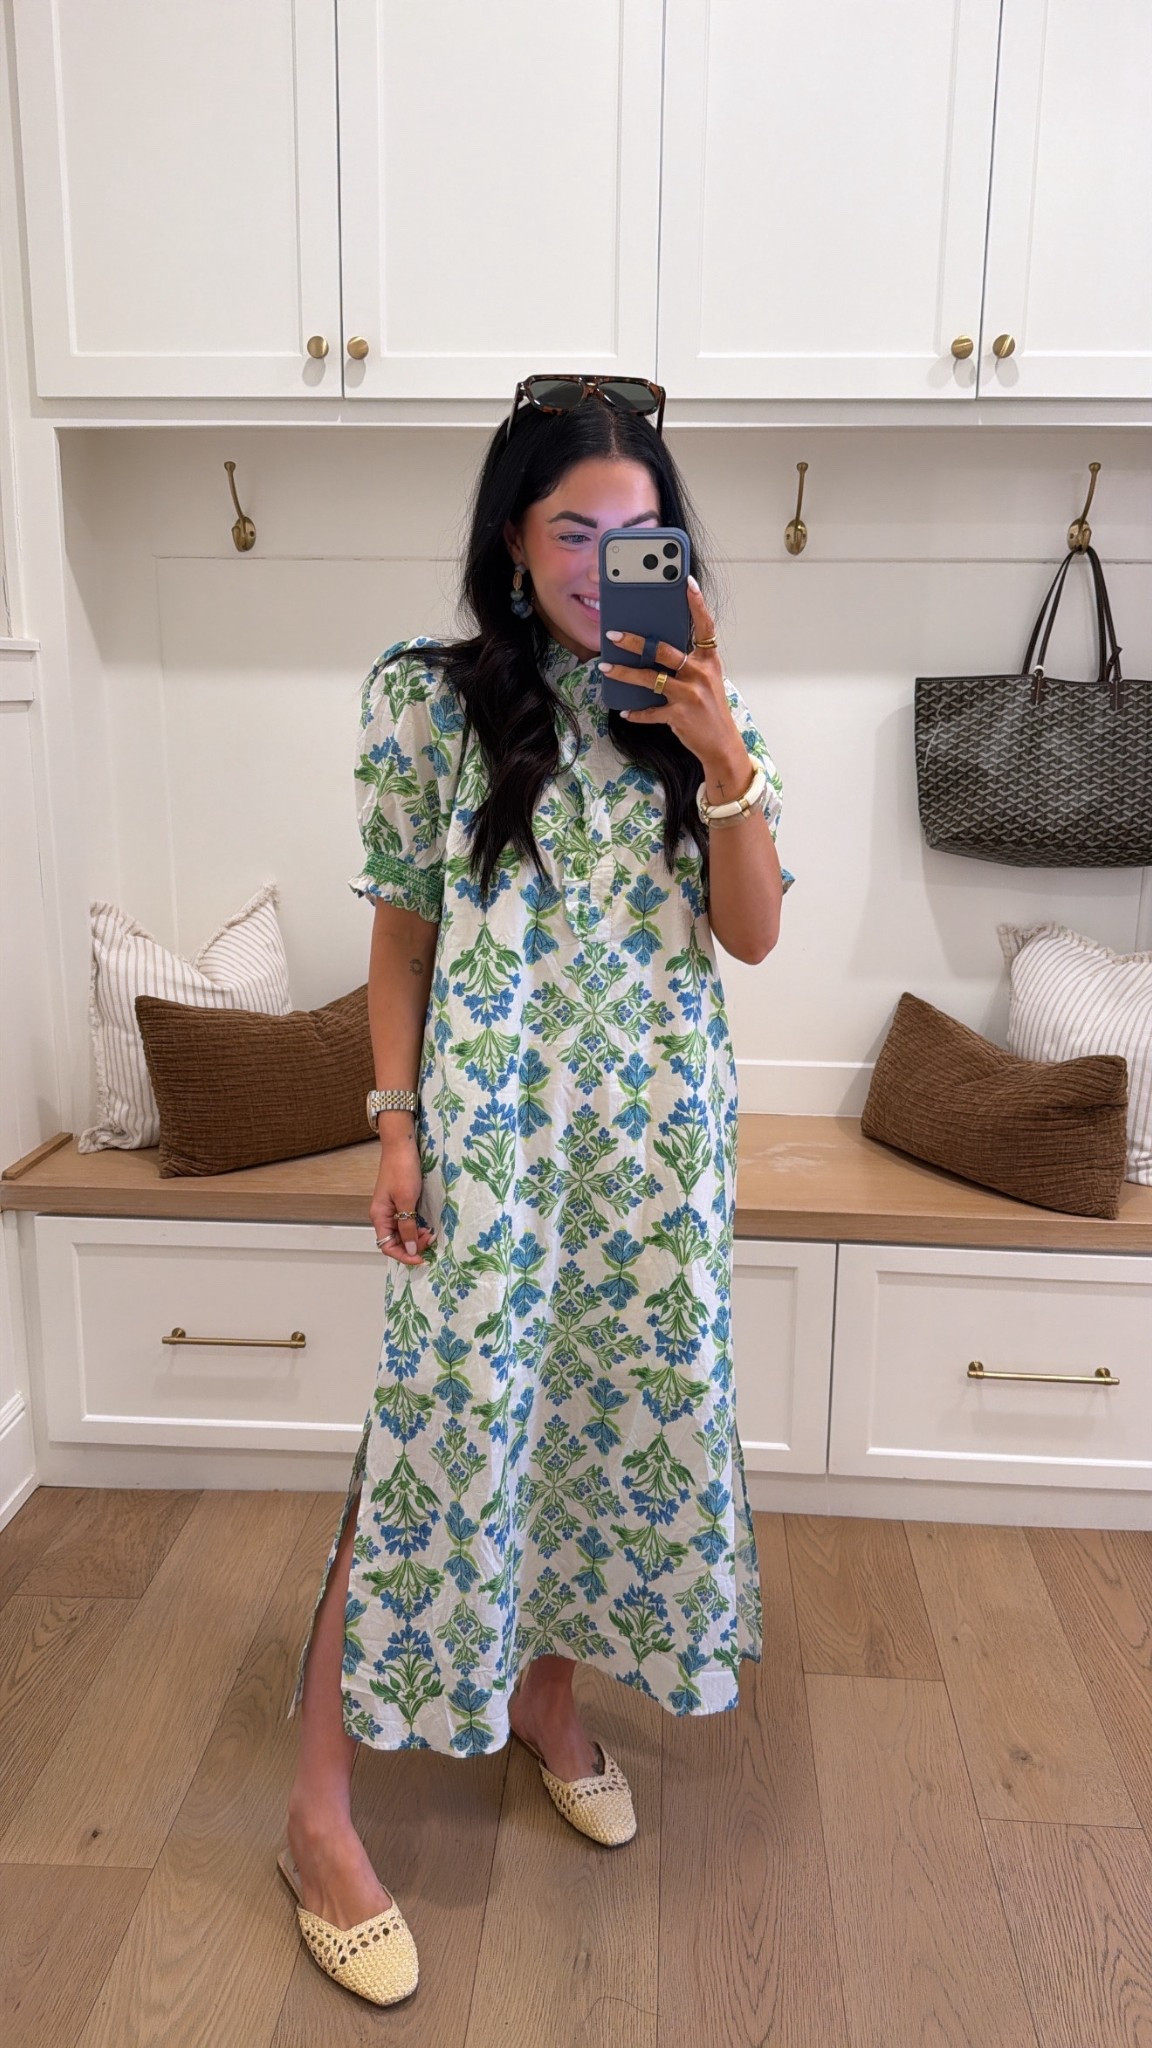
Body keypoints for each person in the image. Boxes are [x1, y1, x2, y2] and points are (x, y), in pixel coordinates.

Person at [278, 374, 792, 2006]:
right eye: (574, 531)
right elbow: (401, 941)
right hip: (494, 1149)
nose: (602, 565)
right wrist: (396, 1129)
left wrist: (720, 754)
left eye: (638, 536)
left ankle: (546, 1700)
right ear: (512, 537)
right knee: (429, 1451)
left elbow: (752, 935)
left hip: (653, 1160)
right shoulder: (427, 705)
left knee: (598, 1422)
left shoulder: (697, 710)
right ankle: (317, 1819)